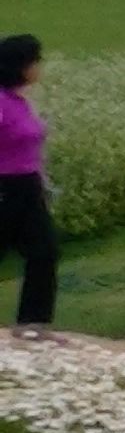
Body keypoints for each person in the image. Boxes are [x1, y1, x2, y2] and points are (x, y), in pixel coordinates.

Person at [0, 37, 53, 342]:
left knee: (44, 250)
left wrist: (42, 183)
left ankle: (33, 322)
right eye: (35, 61)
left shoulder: (19, 102)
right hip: (4, 187)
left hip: (28, 185)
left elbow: (29, 147)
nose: (38, 67)